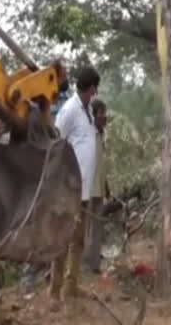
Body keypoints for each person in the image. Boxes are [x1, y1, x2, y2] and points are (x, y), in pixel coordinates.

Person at [50, 66, 100, 299]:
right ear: (90, 88)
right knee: (62, 239)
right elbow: (56, 144)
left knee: (78, 239)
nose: (95, 94)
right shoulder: (69, 110)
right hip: (69, 187)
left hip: (85, 188)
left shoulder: (87, 108)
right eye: (94, 90)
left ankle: (71, 286)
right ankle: (54, 290)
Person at [84, 98, 109, 273]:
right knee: (88, 229)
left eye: (104, 112)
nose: (104, 116)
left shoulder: (100, 135)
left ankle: (93, 265)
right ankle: (87, 266)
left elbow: (101, 164)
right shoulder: (89, 135)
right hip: (88, 190)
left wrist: (107, 188)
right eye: (101, 113)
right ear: (93, 116)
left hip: (99, 189)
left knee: (96, 229)